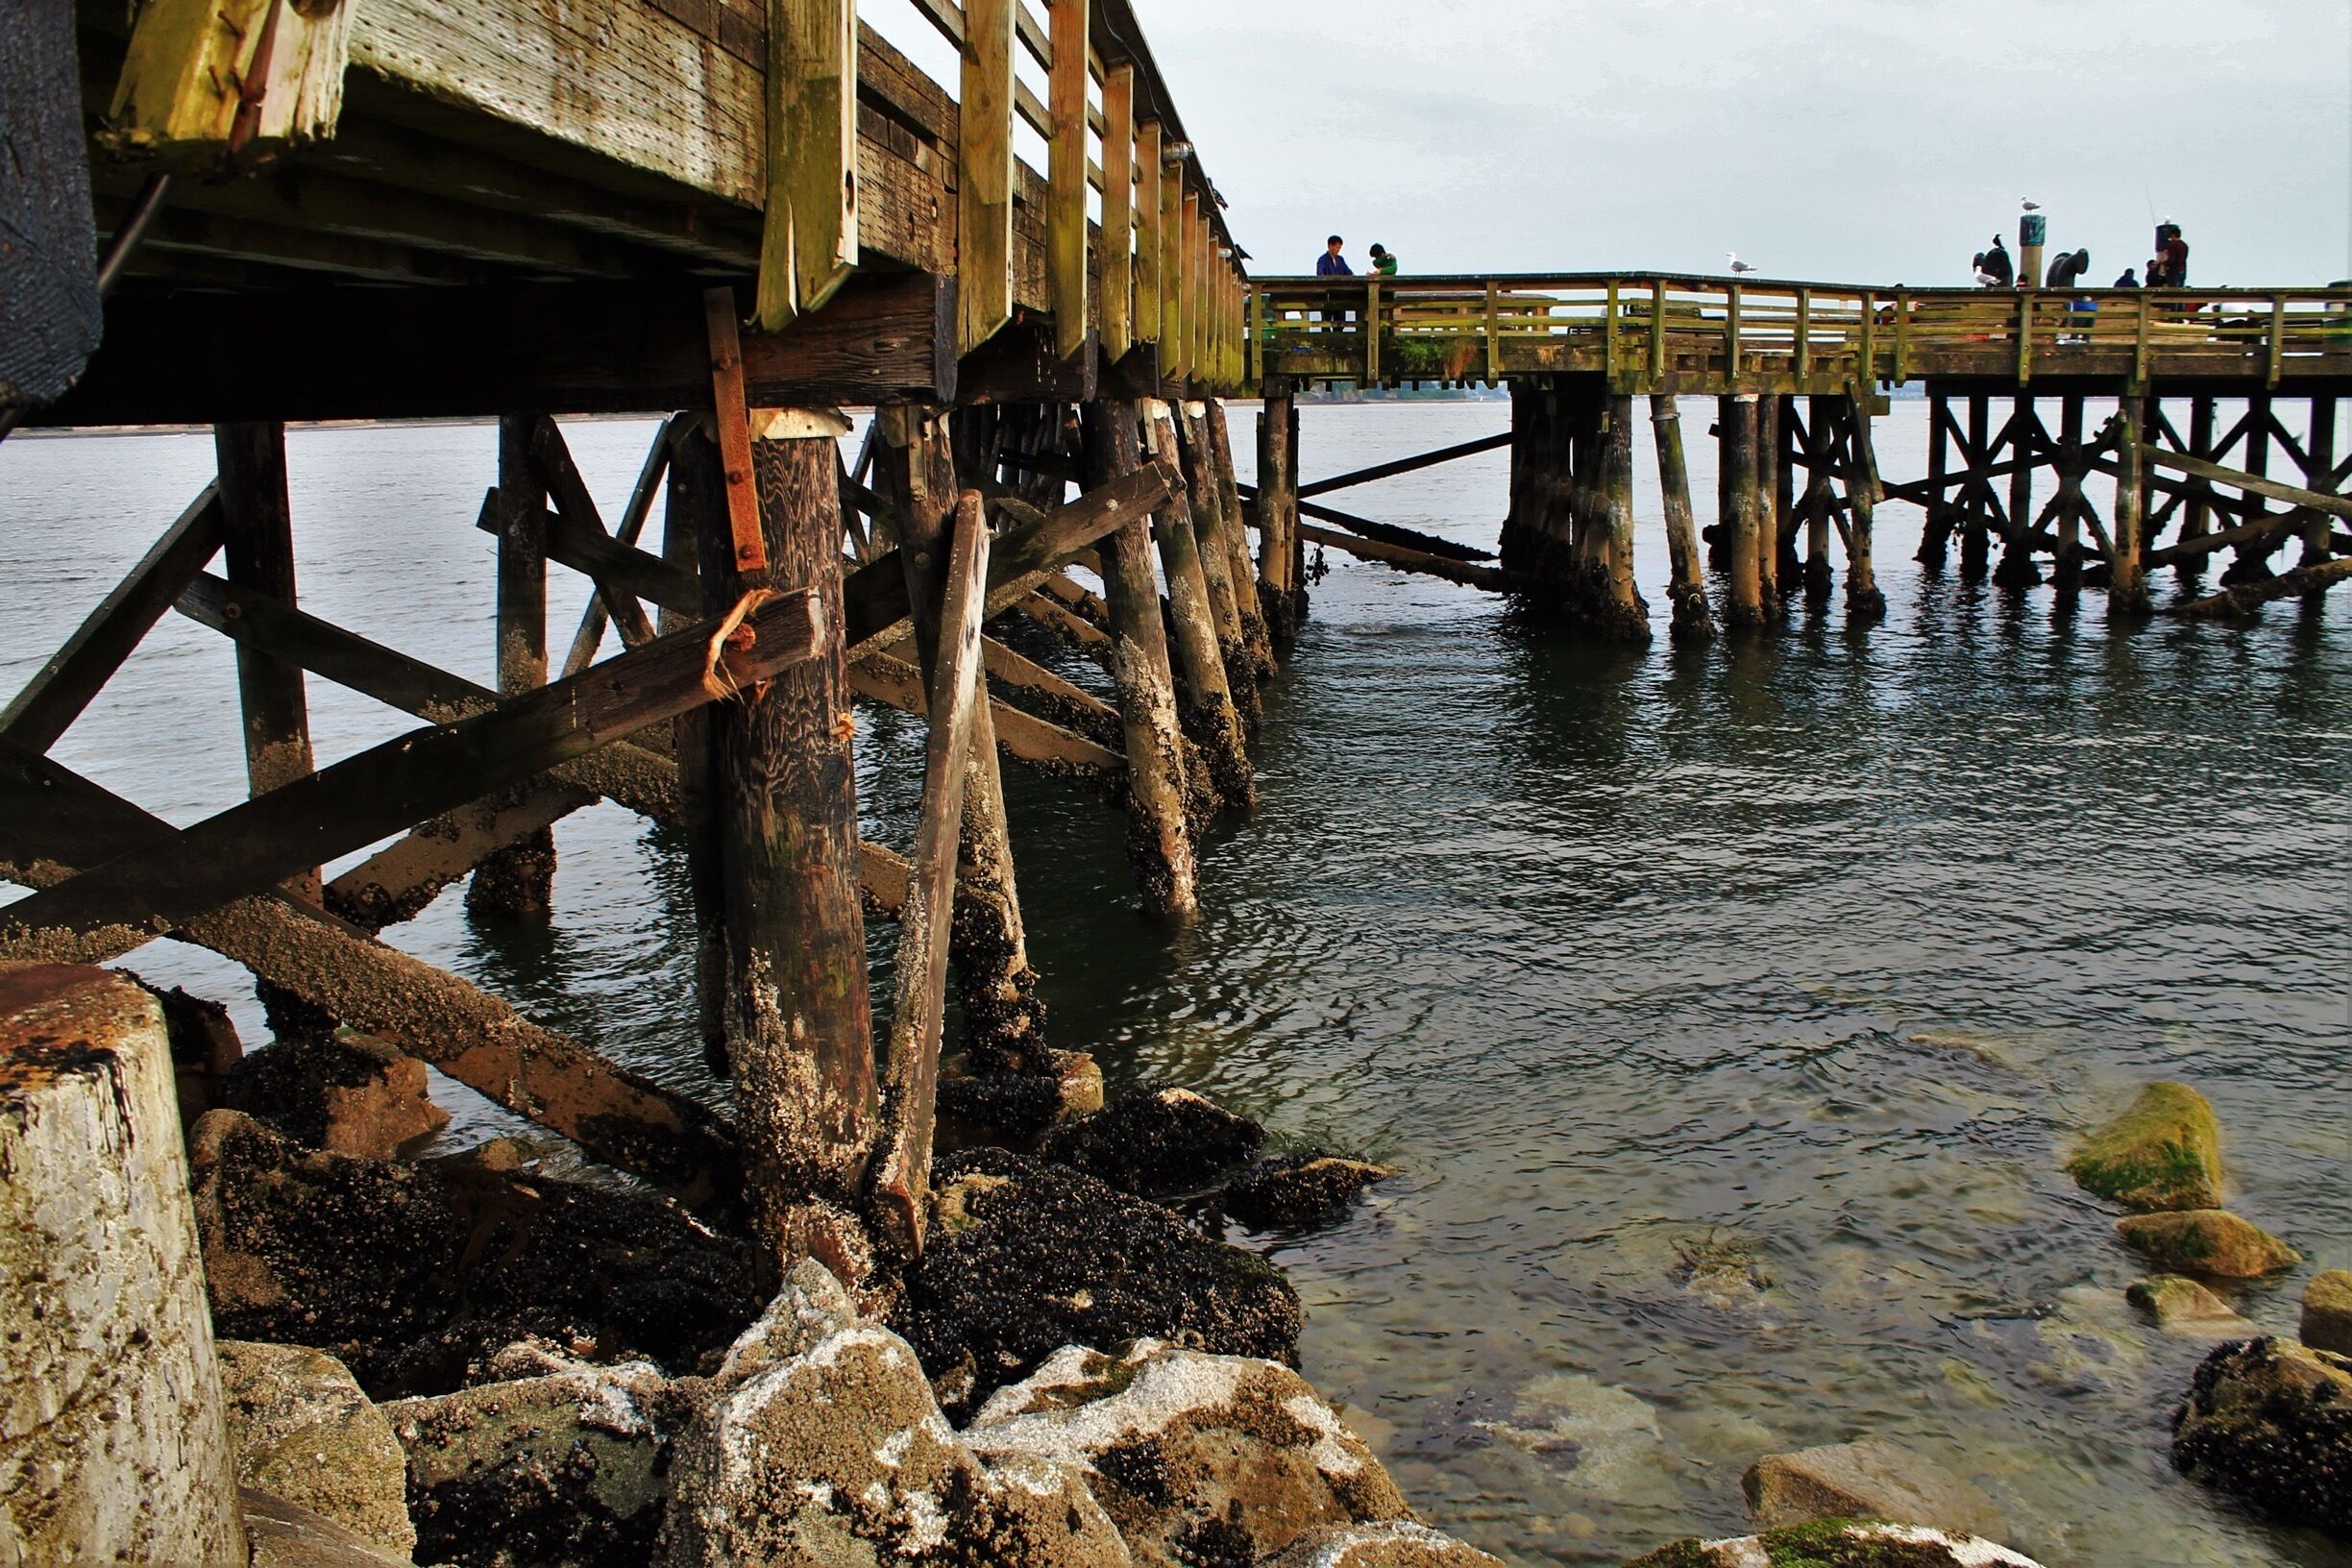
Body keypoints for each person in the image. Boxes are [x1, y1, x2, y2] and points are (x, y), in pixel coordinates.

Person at [2150, 223, 2189, 288]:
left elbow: (2171, 260)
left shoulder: (2172, 246)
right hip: (2182, 270)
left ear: (2173, 235)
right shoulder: (2185, 246)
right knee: (2180, 289)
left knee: (2173, 290)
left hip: (2173, 272)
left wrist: (2162, 263)